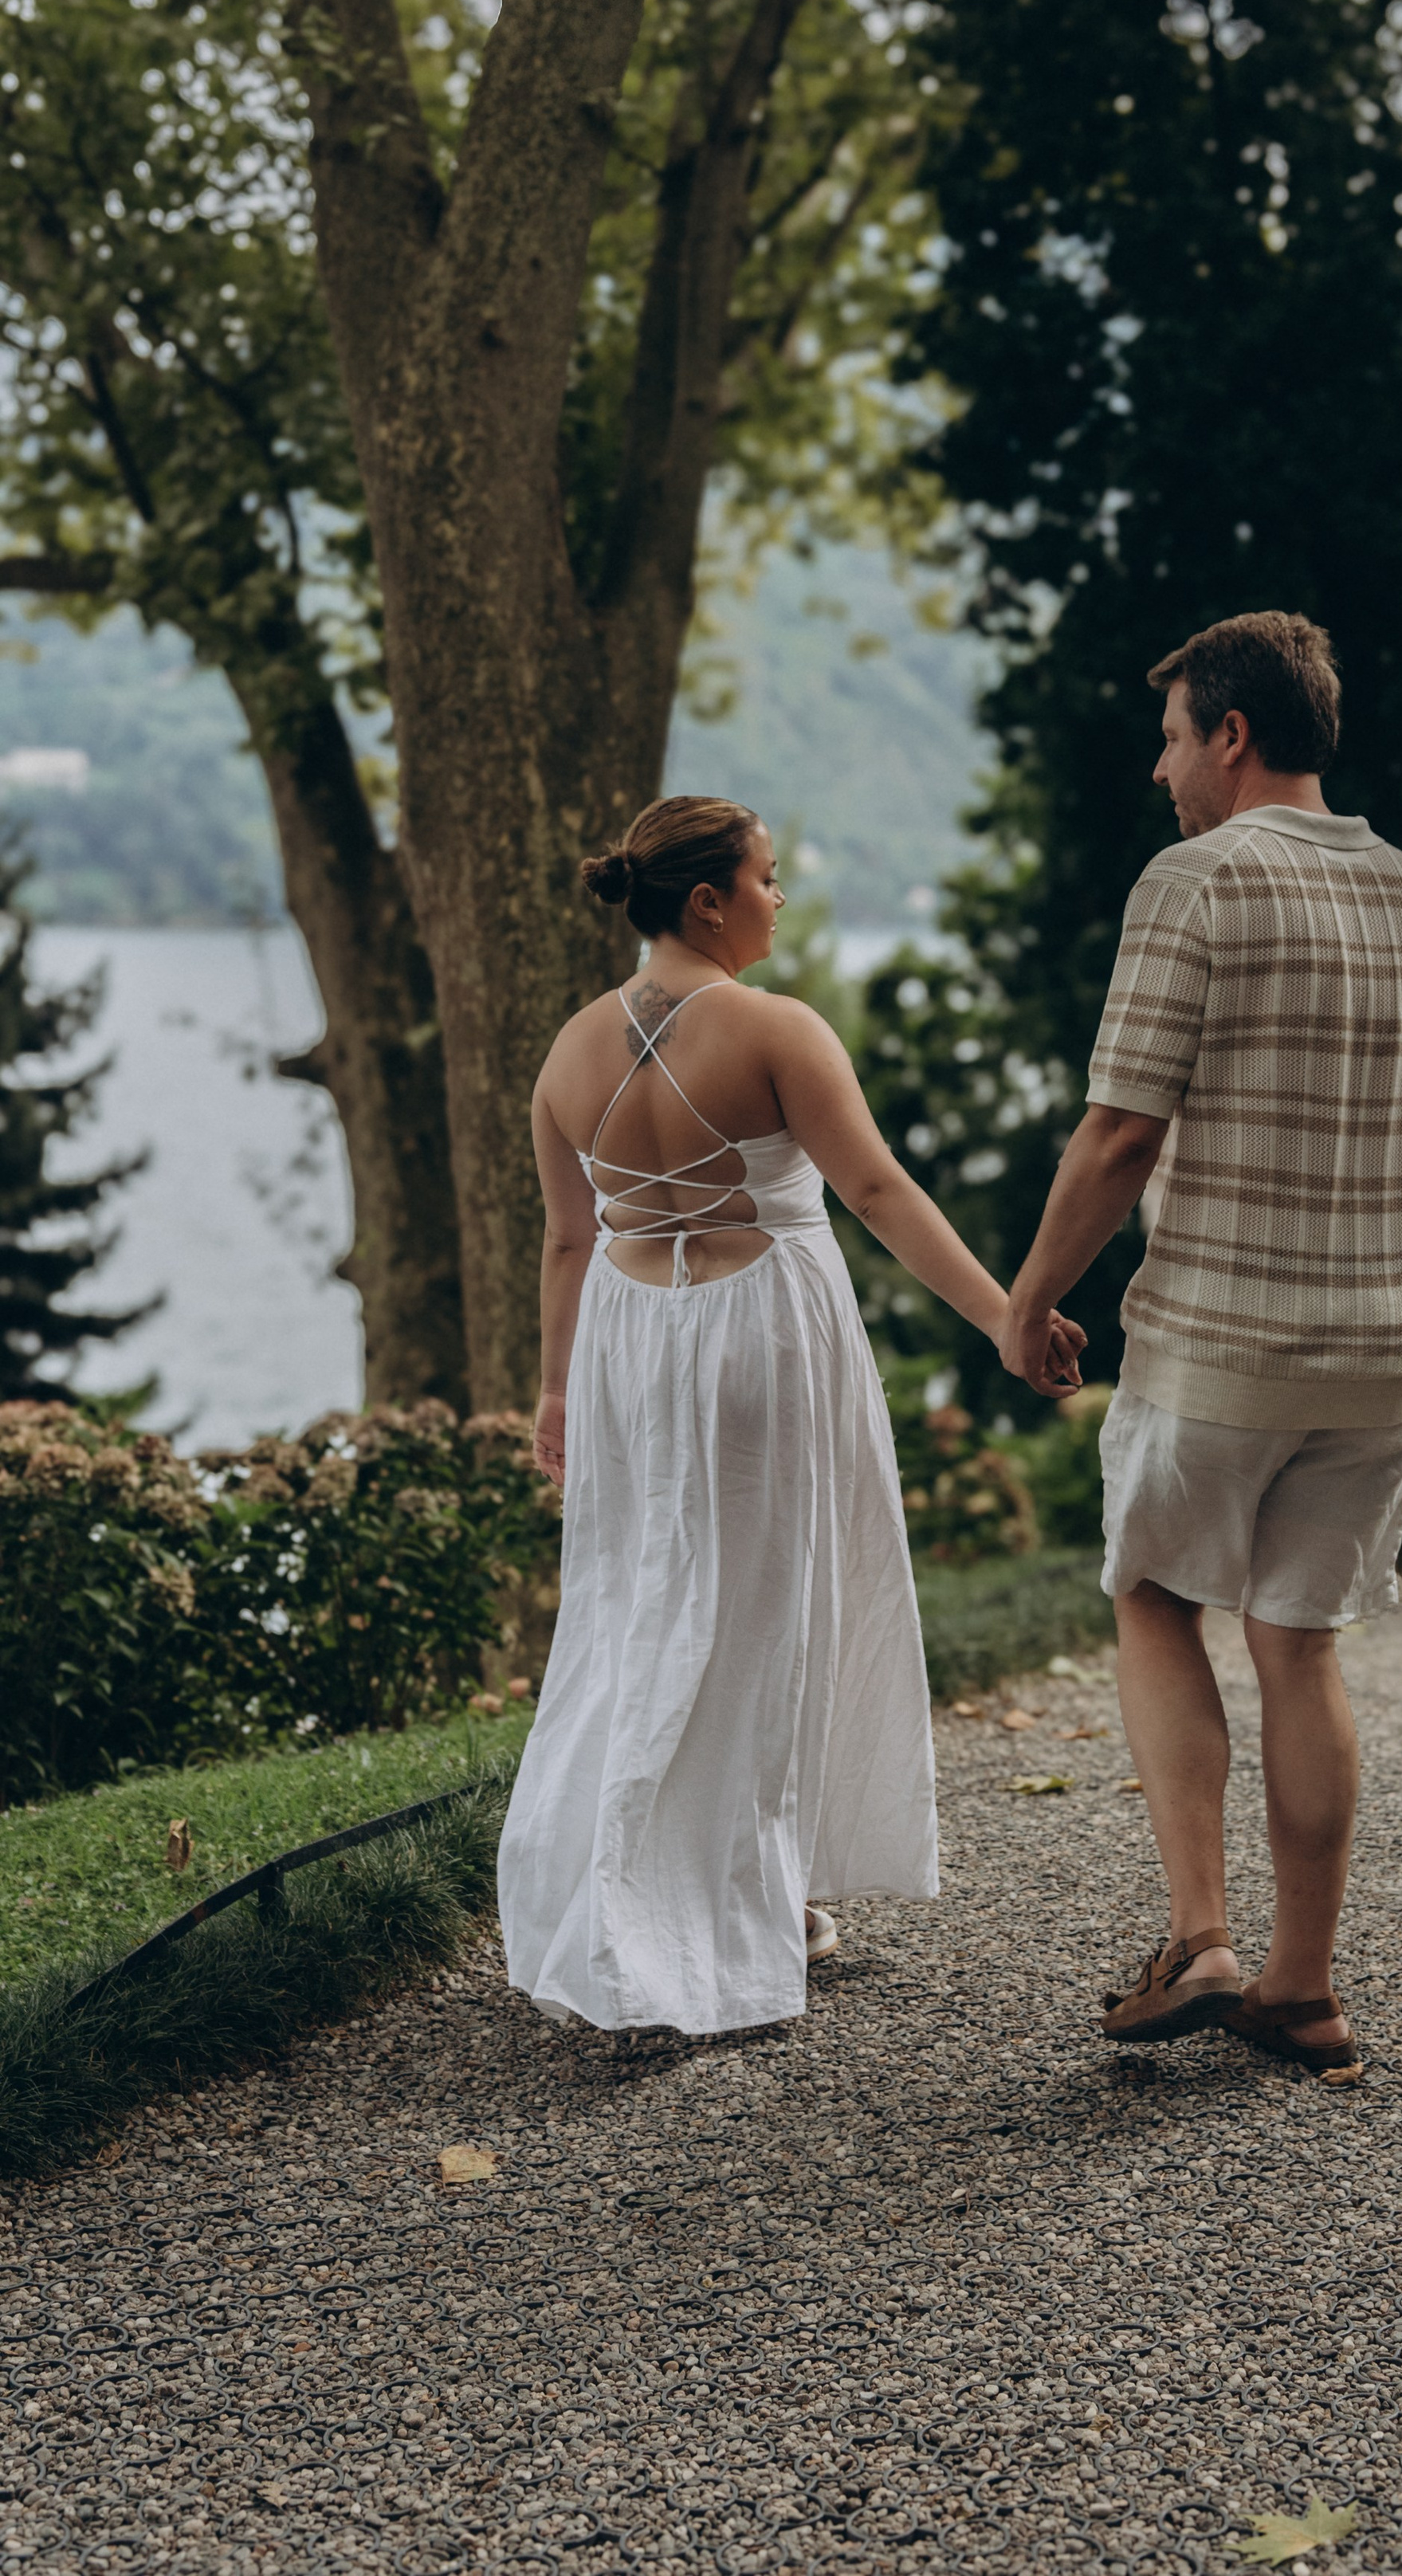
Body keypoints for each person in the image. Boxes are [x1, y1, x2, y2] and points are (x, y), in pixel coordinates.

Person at [497, 795, 1078, 2038]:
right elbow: (873, 1188)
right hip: (764, 1335)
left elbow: (566, 1239)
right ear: (706, 901)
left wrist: (555, 1390)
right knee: (776, 1611)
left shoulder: (566, 1055)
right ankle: (759, 1900)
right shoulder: (776, 1030)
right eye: (765, 879)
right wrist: (1002, 1319)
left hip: (628, 1348)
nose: (776, 898)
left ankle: (641, 1884)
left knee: (637, 1604)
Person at [997, 614, 1402, 2074]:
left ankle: (1198, 1936)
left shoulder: (1195, 880)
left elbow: (1123, 1127)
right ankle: (1302, 1989)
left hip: (1223, 1337)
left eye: (1172, 735)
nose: (1160, 767)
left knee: (1150, 1594)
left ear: (1232, 735)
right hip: (1388, 1346)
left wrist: (1028, 1297)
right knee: (1301, 1647)